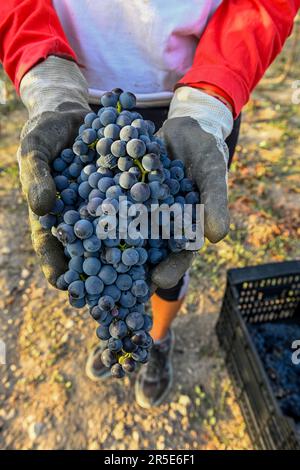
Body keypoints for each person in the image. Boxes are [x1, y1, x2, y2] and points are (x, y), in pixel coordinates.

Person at [0, 0, 298, 408]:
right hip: (77, 98)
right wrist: (42, 65)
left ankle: (157, 337)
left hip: (195, 97)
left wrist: (213, 94)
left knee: (169, 247)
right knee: (108, 250)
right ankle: (126, 326)